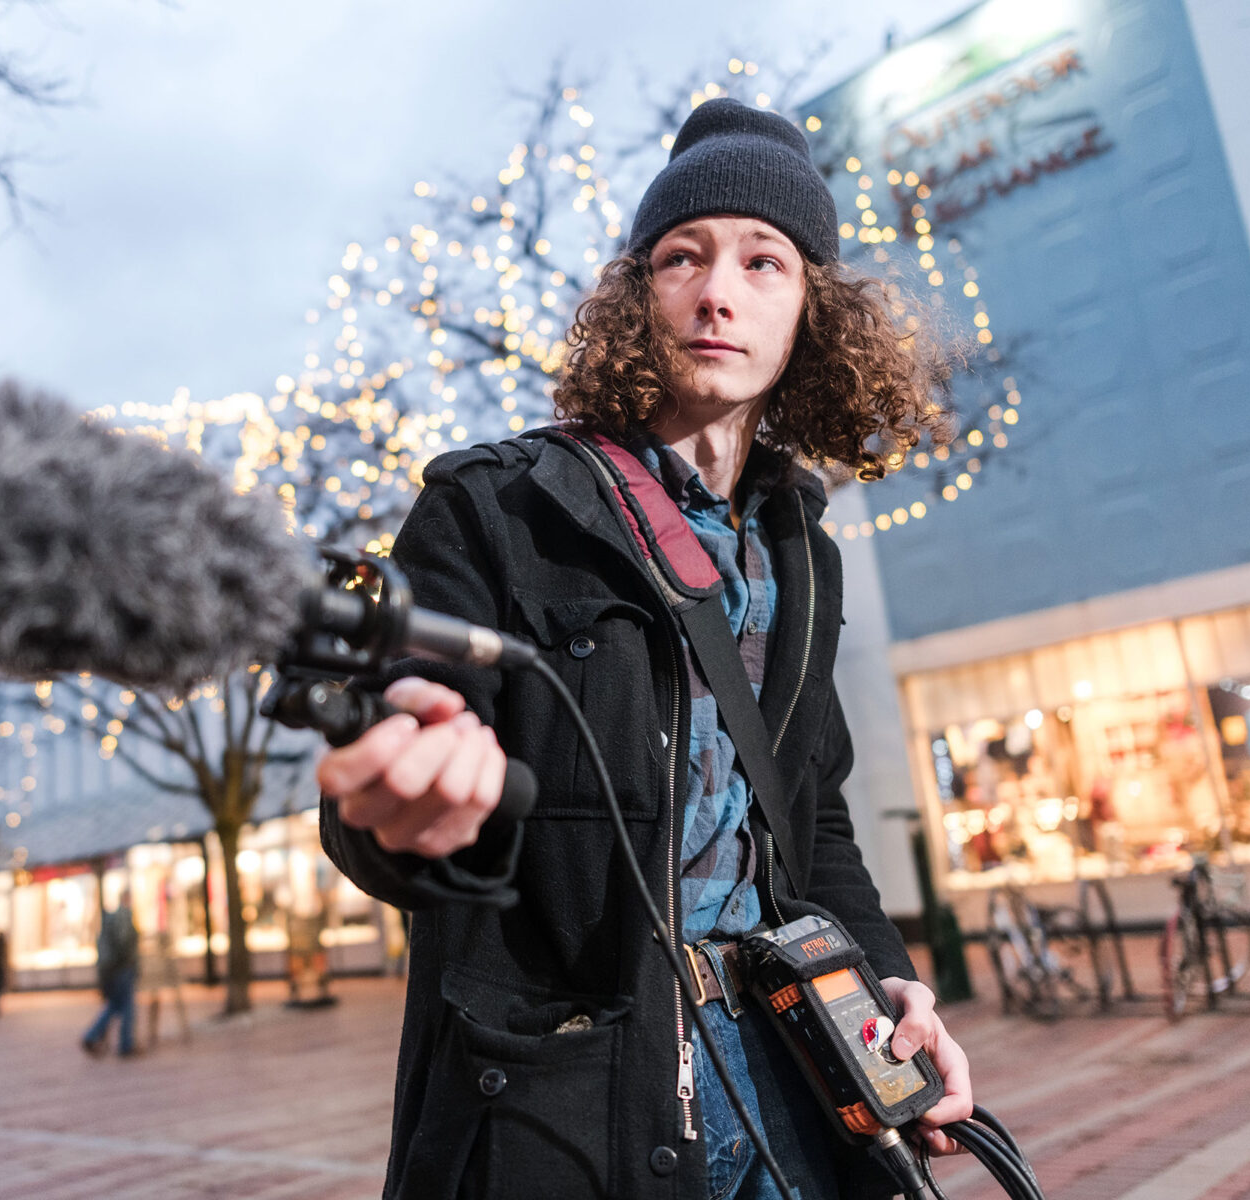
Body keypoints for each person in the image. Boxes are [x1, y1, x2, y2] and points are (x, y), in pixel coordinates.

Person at [318, 98, 974, 1200]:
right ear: (637, 295)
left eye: (765, 262)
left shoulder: (803, 551)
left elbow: (812, 817)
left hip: (793, 1073)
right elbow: (390, 779)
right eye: (683, 256)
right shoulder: (496, 507)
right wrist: (400, 811)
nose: (718, 290)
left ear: (811, 311)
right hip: (570, 1098)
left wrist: (894, 987)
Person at [82, 893, 139, 1058]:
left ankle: (92, 1035)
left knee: (114, 1005)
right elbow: (124, 942)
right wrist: (129, 961)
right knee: (127, 1006)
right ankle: (125, 1044)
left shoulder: (110, 918)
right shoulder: (124, 916)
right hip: (121, 968)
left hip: (111, 969)